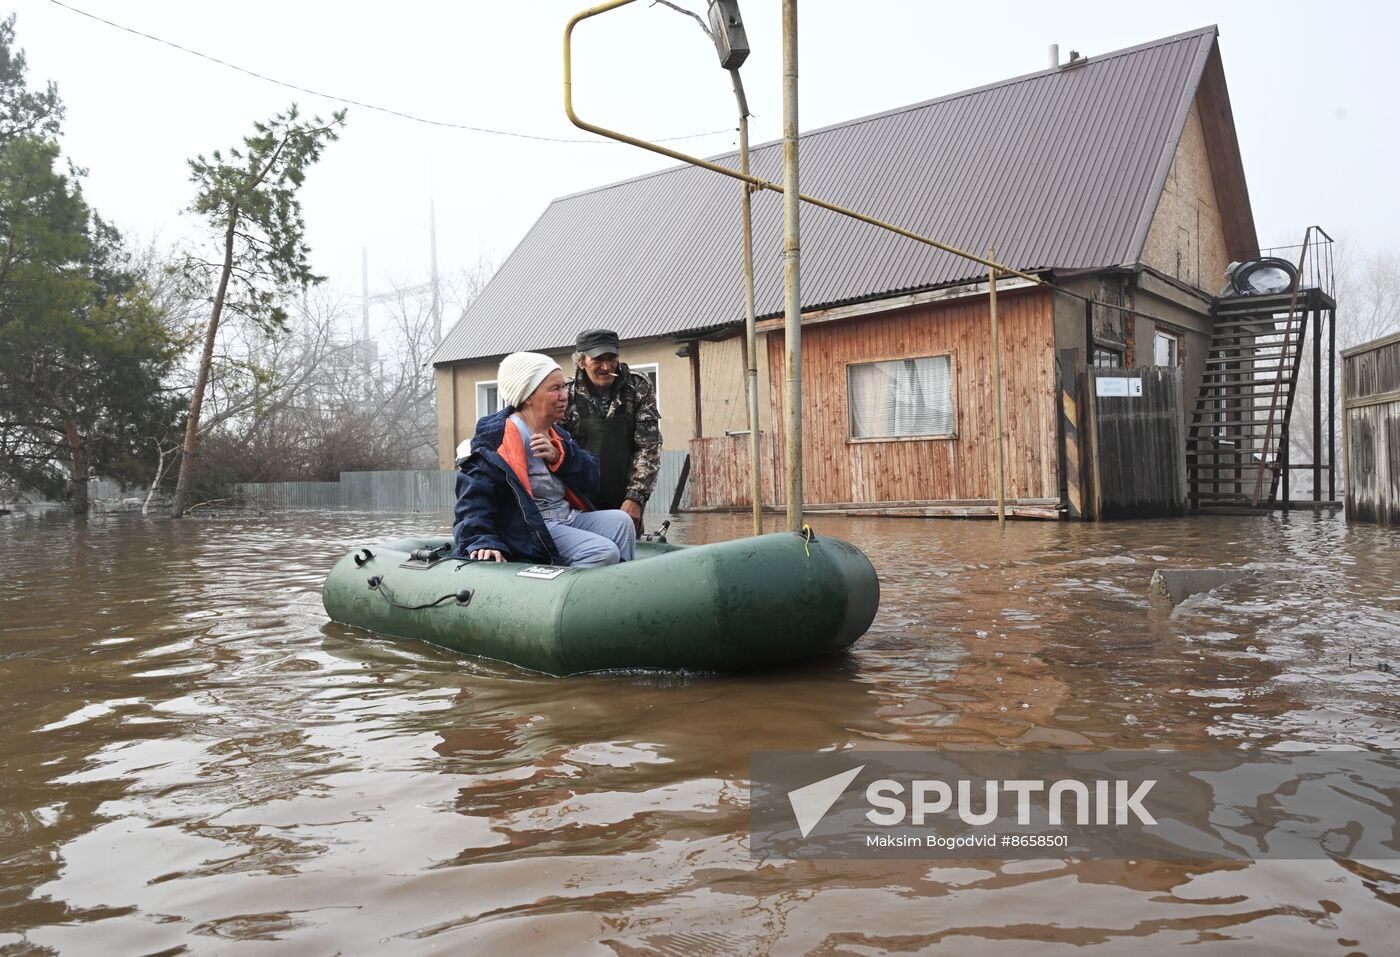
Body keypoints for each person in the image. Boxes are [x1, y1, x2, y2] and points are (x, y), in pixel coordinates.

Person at [452, 352, 636, 567]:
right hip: (530, 527)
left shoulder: (558, 434)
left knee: (622, 522)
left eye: (563, 388)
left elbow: (593, 480)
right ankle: (568, 596)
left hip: (565, 516)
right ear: (528, 396)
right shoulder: (494, 439)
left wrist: (561, 457)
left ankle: (620, 592)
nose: (564, 396)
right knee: (602, 552)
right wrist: (480, 540)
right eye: (555, 389)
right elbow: (474, 499)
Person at [561, 328, 662, 533]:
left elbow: (648, 446)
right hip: (578, 505)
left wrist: (635, 497)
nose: (606, 367)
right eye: (598, 360)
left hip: (625, 500)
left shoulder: (638, 386)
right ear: (581, 361)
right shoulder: (565, 394)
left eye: (611, 358)